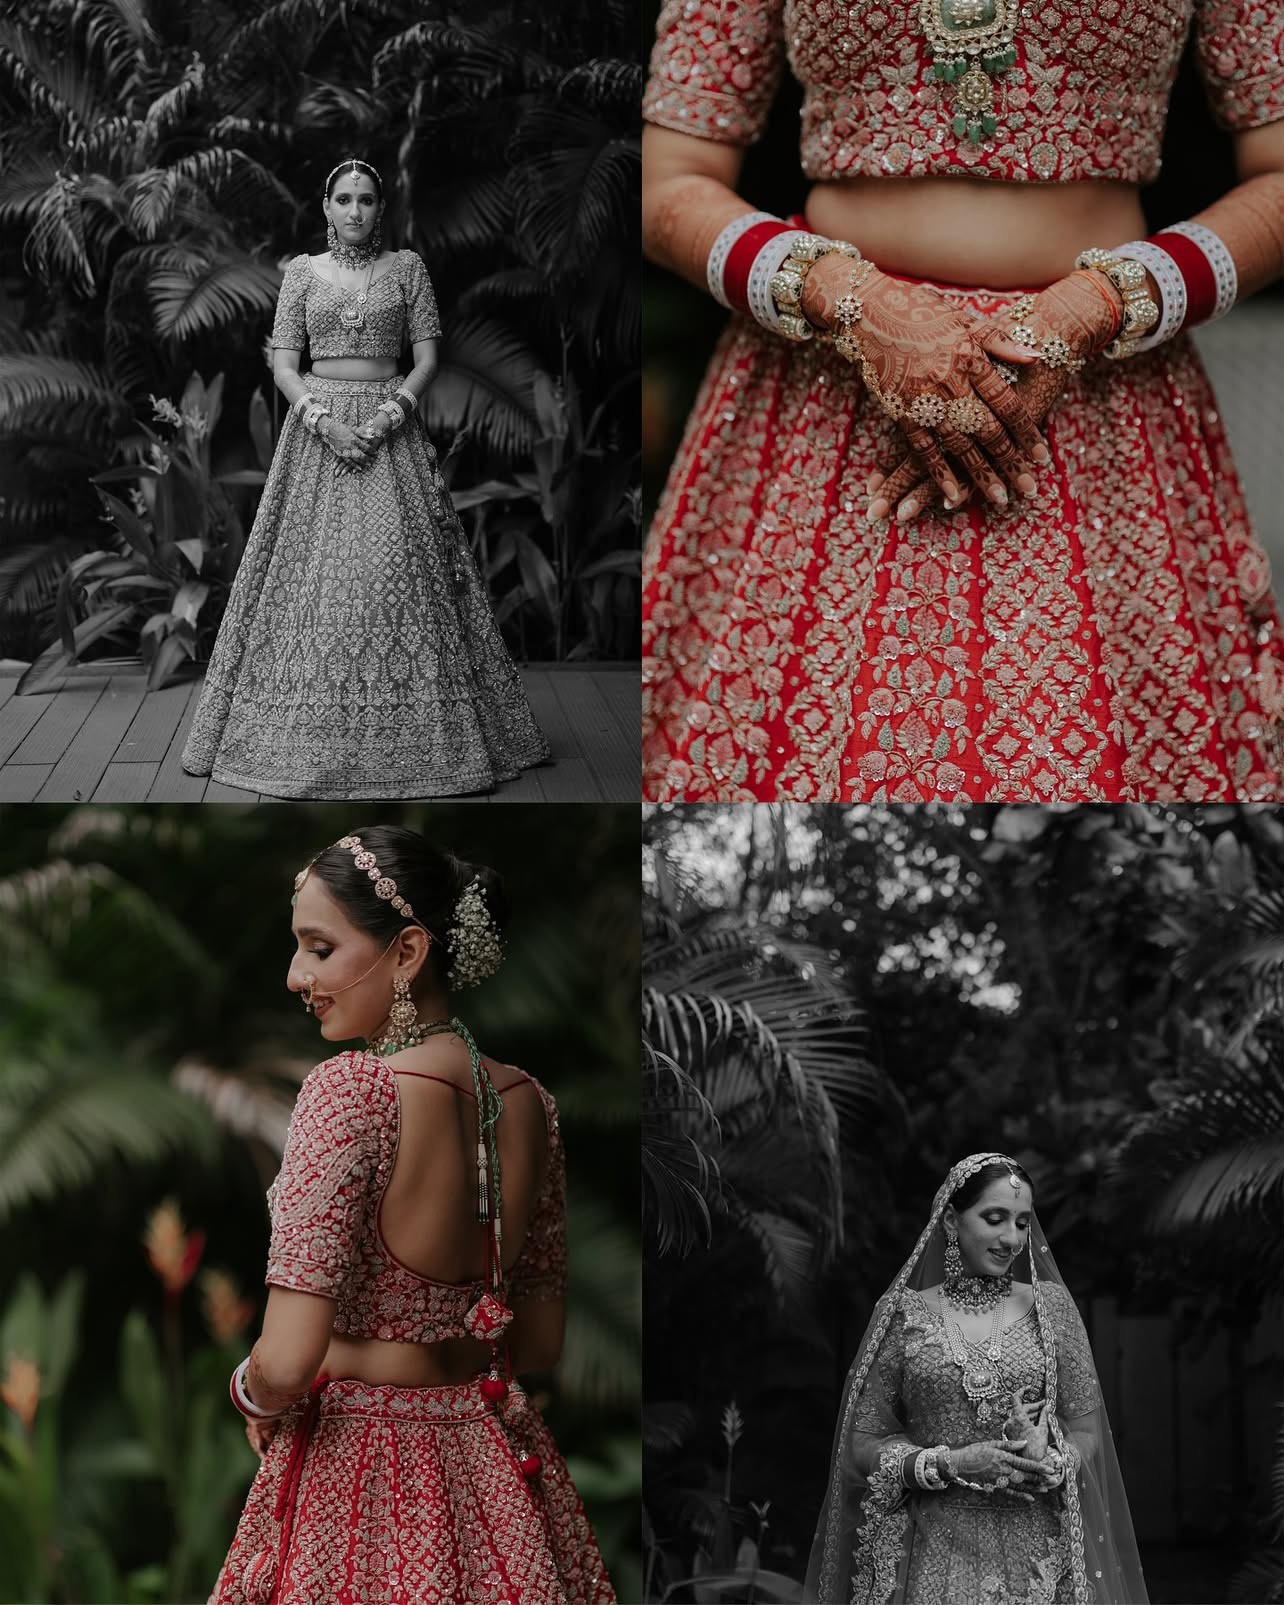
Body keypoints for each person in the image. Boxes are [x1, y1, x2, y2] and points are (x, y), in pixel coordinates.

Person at [641, 2, 1284, 803]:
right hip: (827, 395)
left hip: (1100, 407)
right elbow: (669, 183)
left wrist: (1103, 306)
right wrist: (848, 299)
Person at [210, 826, 614, 1603]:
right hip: (494, 1471)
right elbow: (536, 1341)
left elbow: (287, 1361)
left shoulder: (351, 1090)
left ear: (407, 952)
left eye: (319, 948)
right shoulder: (531, 1103)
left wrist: (251, 1392)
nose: (296, 975)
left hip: (358, 1474)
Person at [182, 157, 549, 798]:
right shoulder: (302, 273)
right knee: (313, 584)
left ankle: (412, 743)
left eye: (367, 200)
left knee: (395, 577)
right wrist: (323, 421)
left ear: (382, 209)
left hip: (390, 426)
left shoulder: (407, 269)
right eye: (344, 199)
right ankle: (306, 741)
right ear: (326, 208)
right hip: (316, 434)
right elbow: (284, 363)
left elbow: (429, 358)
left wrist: (386, 417)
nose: (355, 210)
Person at [803, 1153, 1147, 1604]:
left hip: (1039, 1558)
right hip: (931, 1553)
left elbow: (1086, 1429)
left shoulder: (1053, 1310)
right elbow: (862, 1441)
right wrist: (952, 1463)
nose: (1012, 1239)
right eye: (995, 1218)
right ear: (951, 1219)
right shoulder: (904, 1315)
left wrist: (1052, 1456)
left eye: (1022, 1223)